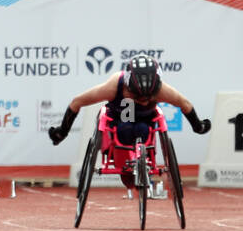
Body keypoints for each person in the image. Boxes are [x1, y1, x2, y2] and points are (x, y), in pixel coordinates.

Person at [47, 55, 211, 188]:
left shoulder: (162, 90)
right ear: (127, 85)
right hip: (121, 117)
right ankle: (126, 169)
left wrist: (198, 126)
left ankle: (142, 166)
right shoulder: (113, 86)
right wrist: (62, 132)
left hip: (145, 120)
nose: (142, 100)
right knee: (125, 129)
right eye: (137, 96)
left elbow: (185, 104)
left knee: (142, 130)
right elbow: (77, 102)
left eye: (148, 97)